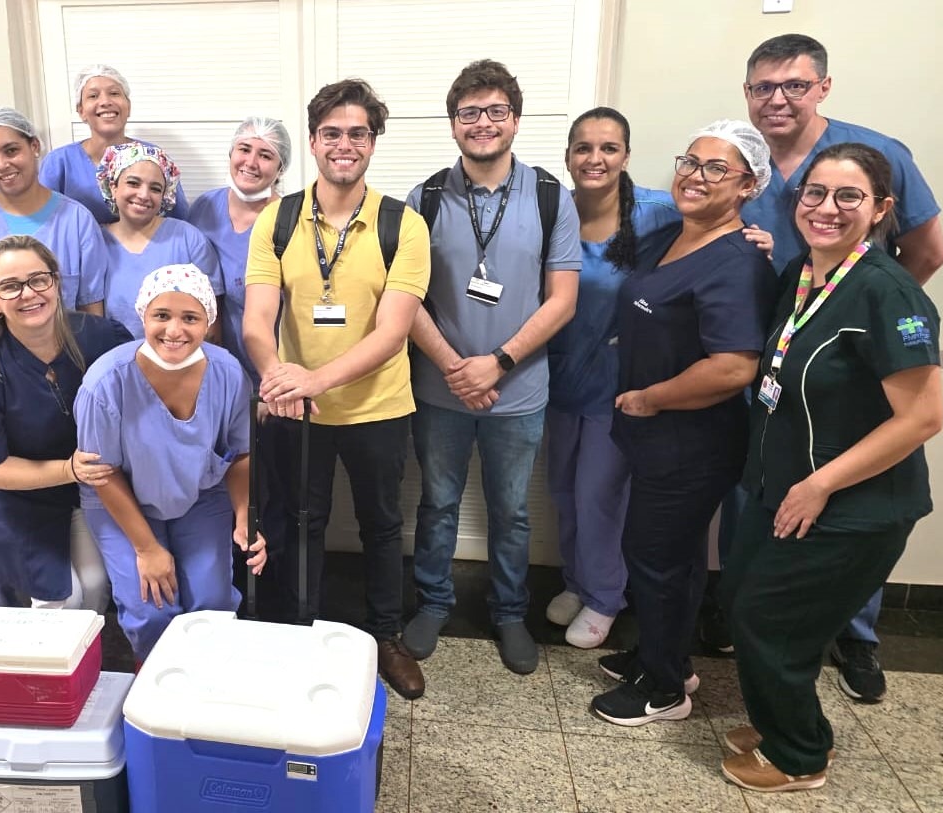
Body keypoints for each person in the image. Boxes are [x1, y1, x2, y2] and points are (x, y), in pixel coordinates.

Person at [731, 32, 943, 703]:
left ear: (823, 87)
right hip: (777, 370)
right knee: (768, 503)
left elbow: (931, 247)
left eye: (794, 85)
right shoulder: (742, 160)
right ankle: (758, 618)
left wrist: (862, 324)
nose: (777, 99)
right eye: (763, 87)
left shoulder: (874, 155)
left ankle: (855, 635)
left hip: (843, 376)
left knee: (845, 507)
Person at [718, 143, 942, 793]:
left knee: (772, 620)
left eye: (849, 196)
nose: (827, 208)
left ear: (881, 209)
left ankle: (799, 752)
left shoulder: (887, 291)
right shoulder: (803, 274)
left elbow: (923, 417)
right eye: (815, 193)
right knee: (741, 601)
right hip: (780, 487)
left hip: (850, 504)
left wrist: (821, 483)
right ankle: (776, 724)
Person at [546, 109, 775, 650]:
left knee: (599, 495)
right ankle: (577, 581)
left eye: (608, 148)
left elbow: (716, 234)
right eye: (583, 147)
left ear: (627, 155)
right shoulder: (552, 211)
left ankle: (605, 596)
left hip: (622, 385)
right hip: (559, 377)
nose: (594, 159)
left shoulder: (657, 212)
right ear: (568, 156)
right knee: (563, 492)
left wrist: (754, 240)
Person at [243, 79, 431, 700]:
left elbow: (393, 332)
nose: (344, 145)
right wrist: (279, 377)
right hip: (297, 410)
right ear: (314, 140)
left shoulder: (403, 224)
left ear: (373, 142)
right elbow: (255, 319)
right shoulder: (279, 217)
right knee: (300, 524)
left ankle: (384, 638)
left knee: (381, 526)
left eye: (357, 133)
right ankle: (299, 631)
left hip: (377, 406)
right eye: (331, 133)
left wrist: (312, 379)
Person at [401, 60, 581, 674]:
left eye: (495, 111)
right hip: (440, 387)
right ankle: (433, 601)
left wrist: (498, 363)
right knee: (438, 503)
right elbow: (406, 298)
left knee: (512, 511)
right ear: (453, 125)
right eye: (470, 113)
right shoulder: (423, 198)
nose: (482, 123)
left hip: (520, 389)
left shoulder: (552, 196)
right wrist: (457, 367)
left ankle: (508, 612)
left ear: (516, 120)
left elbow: (563, 299)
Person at [0, 106, 107, 614]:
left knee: (88, 578)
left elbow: (91, 315)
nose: (1, 163)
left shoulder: (76, 219)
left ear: (36, 148)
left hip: (57, 404)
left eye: (11, 149)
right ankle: (5, 637)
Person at [75, 265, 266, 661]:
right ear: (142, 315)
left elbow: (240, 453)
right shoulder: (106, 382)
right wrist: (146, 549)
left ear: (208, 323)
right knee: (152, 609)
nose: (174, 331)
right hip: (120, 499)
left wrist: (246, 517)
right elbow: (101, 473)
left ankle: (203, 681)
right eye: (161, 316)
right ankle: (159, 686)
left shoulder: (228, 373)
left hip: (199, 493)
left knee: (212, 601)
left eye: (190, 318)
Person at [0, 236, 132, 611]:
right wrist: (69, 469)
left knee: (95, 586)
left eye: (38, 280)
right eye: (10, 286)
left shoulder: (103, 339)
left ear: (57, 283)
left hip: (84, 495)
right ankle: (44, 667)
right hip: (16, 503)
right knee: (59, 600)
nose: (28, 294)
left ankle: (83, 663)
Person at [187, 117, 294, 585]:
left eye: (265, 155)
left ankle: (271, 594)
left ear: (281, 167)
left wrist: (272, 383)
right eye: (243, 149)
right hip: (216, 378)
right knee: (223, 484)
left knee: (273, 489)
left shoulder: (290, 216)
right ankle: (225, 589)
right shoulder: (202, 209)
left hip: (275, 381)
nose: (251, 162)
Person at [96, 142, 221, 341]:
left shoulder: (188, 239)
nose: (143, 195)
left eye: (155, 188)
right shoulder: (95, 242)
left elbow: (212, 323)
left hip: (180, 359)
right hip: (116, 360)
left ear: (165, 195)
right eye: (133, 183)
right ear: (113, 186)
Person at [40, 64, 190, 224]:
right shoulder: (59, 162)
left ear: (129, 107)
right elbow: (43, 222)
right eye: (93, 96)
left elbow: (179, 219)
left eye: (114, 93)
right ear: (81, 111)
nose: (105, 101)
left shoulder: (153, 156)